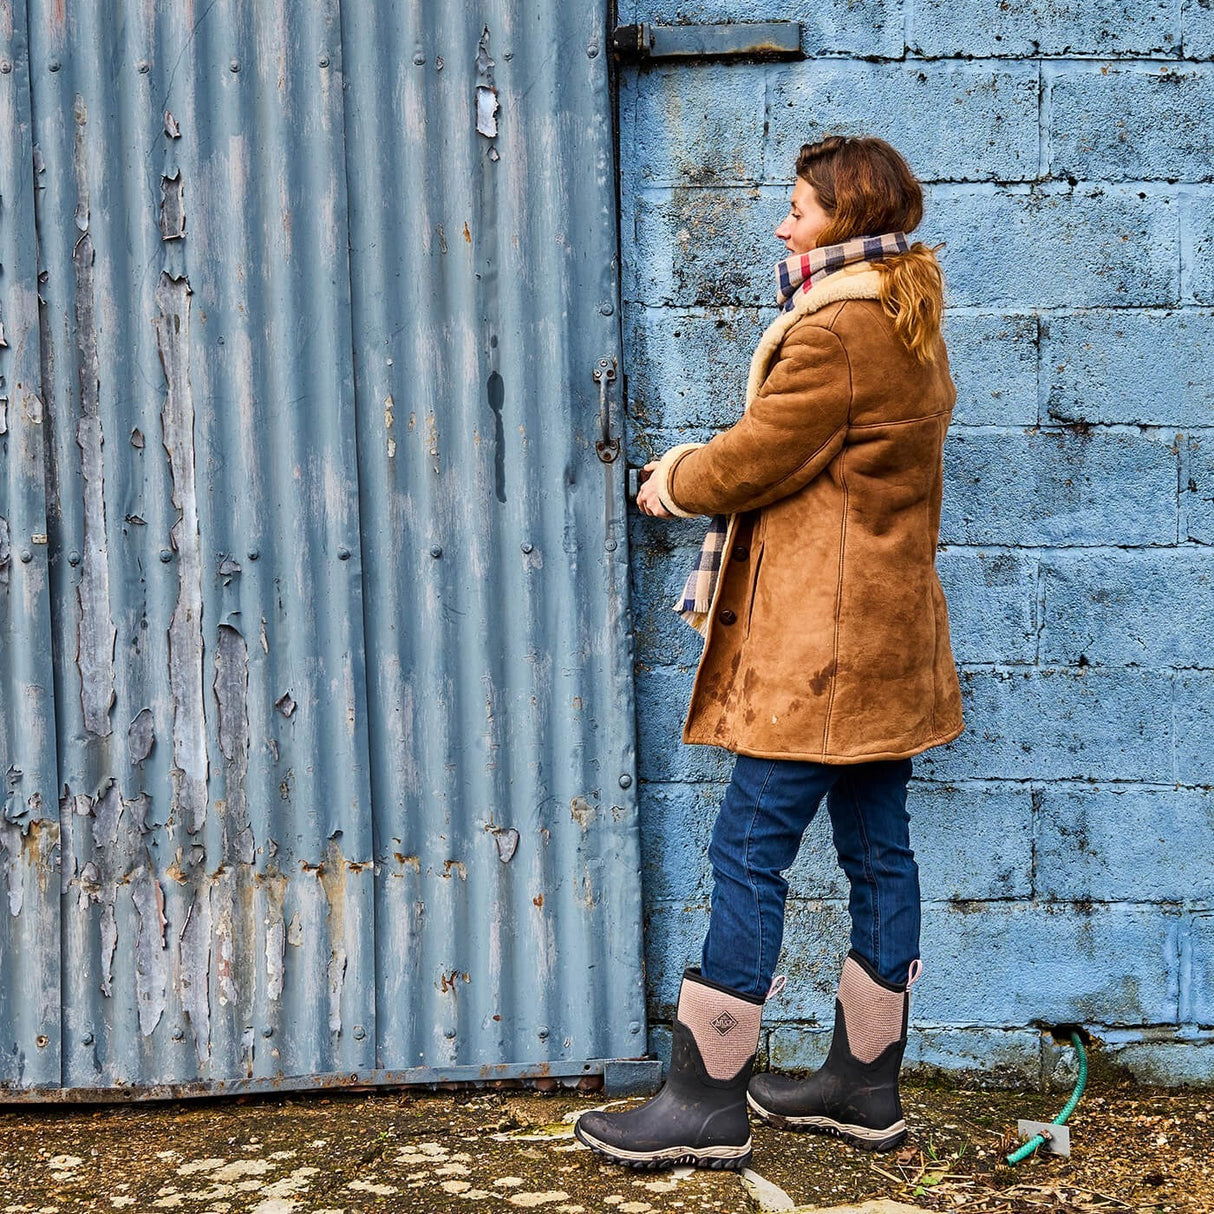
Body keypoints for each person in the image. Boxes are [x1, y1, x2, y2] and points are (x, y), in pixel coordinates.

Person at [574, 135, 964, 1171]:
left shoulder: (836, 327)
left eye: (797, 207)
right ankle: (862, 1084)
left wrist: (676, 477)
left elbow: (763, 452)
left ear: (842, 217)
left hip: (821, 647)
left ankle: (704, 1100)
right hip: (883, 637)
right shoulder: (904, 309)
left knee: (747, 845)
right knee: (877, 846)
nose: (782, 222)